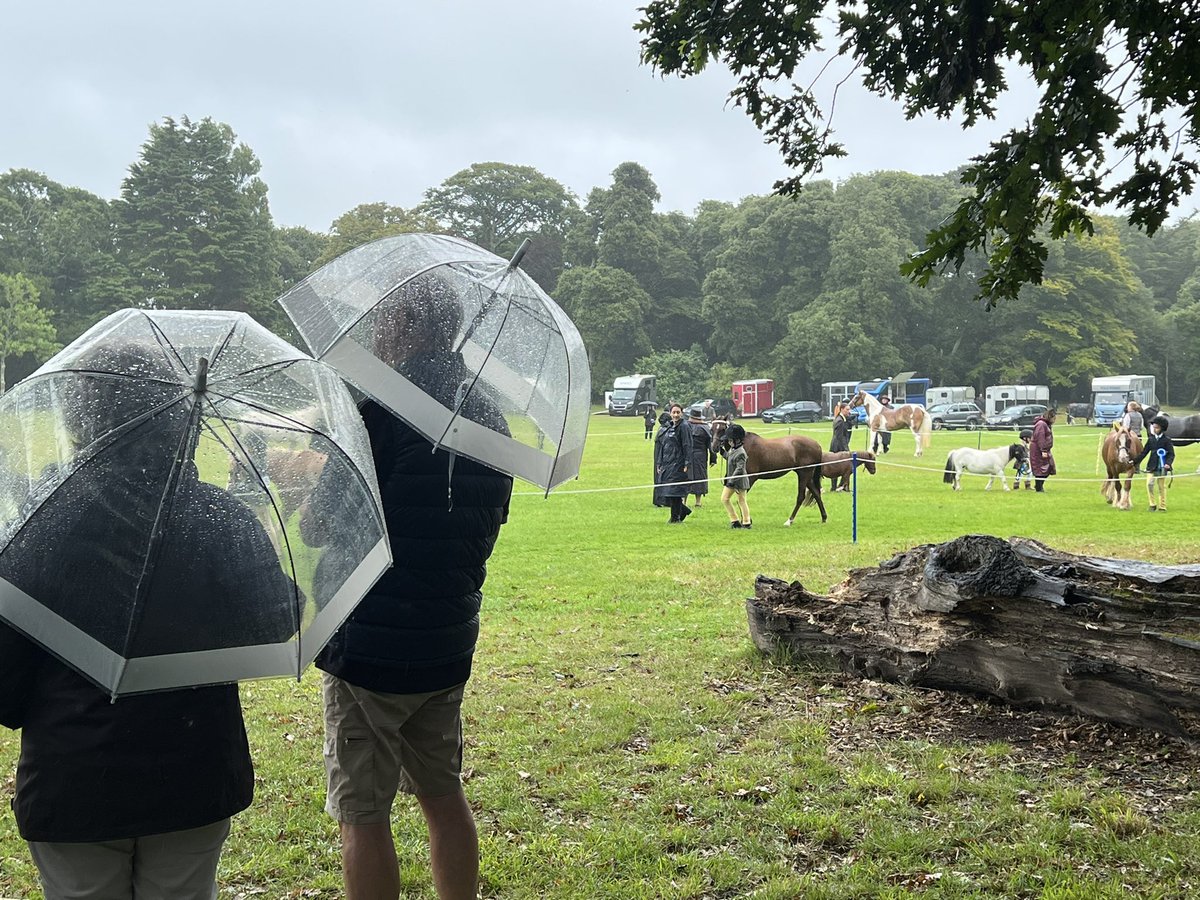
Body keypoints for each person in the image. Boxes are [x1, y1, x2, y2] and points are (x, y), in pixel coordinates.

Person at [0, 341, 297, 900]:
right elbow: (276, 618)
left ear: (82, 421)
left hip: (73, 778)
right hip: (194, 772)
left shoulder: (44, 520)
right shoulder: (219, 520)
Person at [307, 275, 513, 900]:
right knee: (442, 794)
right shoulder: (488, 412)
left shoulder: (380, 408)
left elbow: (321, 525)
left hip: (369, 643)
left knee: (361, 814)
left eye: (381, 321)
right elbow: (488, 523)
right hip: (447, 639)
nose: (373, 332)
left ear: (404, 327)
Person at [655, 402, 694, 523]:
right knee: (668, 491)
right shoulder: (669, 426)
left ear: (682, 413)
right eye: (674, 412)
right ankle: (683, 511)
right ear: (670, 413)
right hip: (668, 463)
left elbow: (687, 445)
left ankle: (675, 517)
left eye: (678, 412)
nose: (676, 415)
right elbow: (663, 446)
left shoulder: (684, 426)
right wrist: (659, 463)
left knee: (675, 491)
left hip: (679, 463)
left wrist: (687, 463)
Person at [1132, 414, 1175, 511]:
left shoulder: (1167, 440)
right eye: (1153, 427)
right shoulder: (1151, 439)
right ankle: (1152, 504)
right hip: (1151, 466)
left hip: (1162, 467)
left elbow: (1171, 454)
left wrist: (1168, 463)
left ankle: (1162, 506)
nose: (1154, 429)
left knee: (1161, 487)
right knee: (1149, 485)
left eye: (1156, 427)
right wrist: (1134, 461)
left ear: (1162, 428)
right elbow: (1144, 453)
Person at [719, 423, 752, 528]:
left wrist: (732, 480)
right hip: (732, 480)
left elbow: (740, 468)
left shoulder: (741, 453)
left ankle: (746, 522)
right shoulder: (733, 450)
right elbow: (729, 459)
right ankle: (735, 520)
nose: (728, 442)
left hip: (739, 481)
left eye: (730, 440)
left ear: (737, 440)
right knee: (725, 499)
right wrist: (723, 453)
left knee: (741, 501)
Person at [686, 407, 713, 508]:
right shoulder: (705, 428)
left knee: (686, 476)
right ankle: (698, 501)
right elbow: (710, 445)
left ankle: (684, 500)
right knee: (700, 476)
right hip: (700, 455)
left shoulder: (685, 426)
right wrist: (713, 458)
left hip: (687, 455)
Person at [1030, 407, 1058, 492]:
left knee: (1049, 467)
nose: (1055, 420)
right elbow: (1040, 438)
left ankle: (1039, 486)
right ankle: (1039, 487)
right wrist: (1043, 451)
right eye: (1054, 418)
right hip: (1038, 450)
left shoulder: (1045, 424)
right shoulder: (1041, 424)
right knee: (1040, 469)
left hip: (1044, 449)